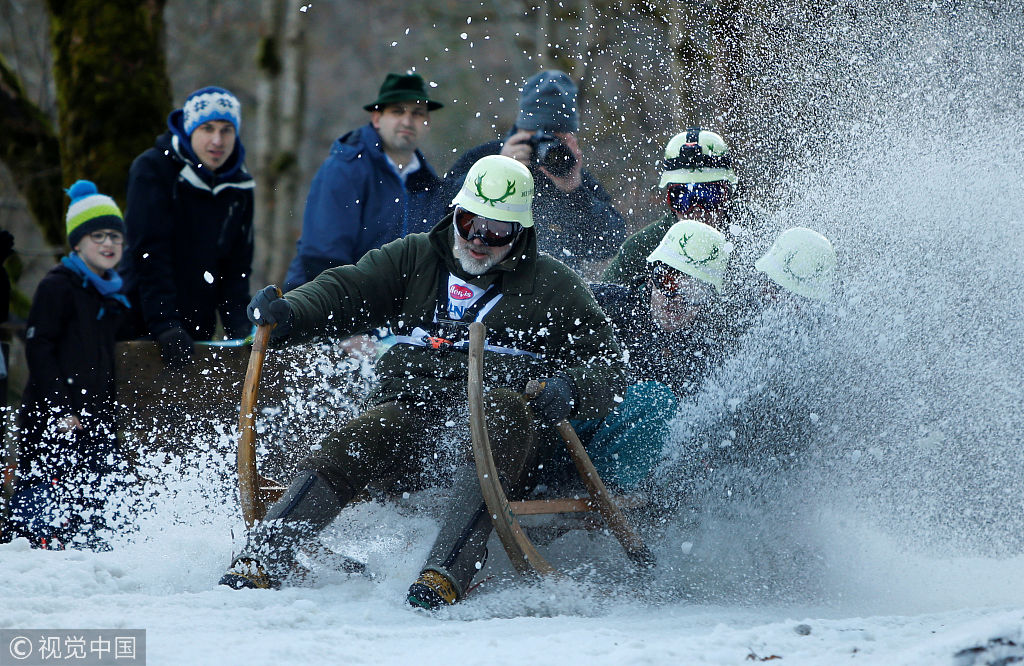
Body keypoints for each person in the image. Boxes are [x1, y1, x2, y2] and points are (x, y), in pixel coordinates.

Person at [219, 155, 627, 609]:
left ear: (520, 234)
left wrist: (570, 388)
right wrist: (291, 312)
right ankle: (264, 556)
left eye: (494, 232)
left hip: (509, 443)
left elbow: (608, 365)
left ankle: (447, 570)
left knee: (501, 410)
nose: (476, 240)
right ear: (454, 211)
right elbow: (346, 289)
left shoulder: (555, 286)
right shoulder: (415, 257)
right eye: (469, 221)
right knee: (372, 428)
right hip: (417, 420)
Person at [7, 181, 133, 549]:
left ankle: (94, 551)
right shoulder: (57, 286)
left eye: (115, 236)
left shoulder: (113, 293)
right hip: (53, 417)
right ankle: (29, 552)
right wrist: (61, 407)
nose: (108, 244)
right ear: (77, 242)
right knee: (44, 497)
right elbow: (39, 347)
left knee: (98, 496)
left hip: (96, 419)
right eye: (97, 236)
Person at [581, 219, 738, 489]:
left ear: (709, 299)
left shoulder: (706, 350)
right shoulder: (601, 304)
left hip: (633, 471)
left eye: (693, 291)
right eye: (667, 281)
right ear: (650, 276)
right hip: (569, 437)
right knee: (656, 400)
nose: (675, 299)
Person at [436, 70, 626, 276]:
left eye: (555, 137)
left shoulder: (574, 177)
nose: (546, 145)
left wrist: (574, 191)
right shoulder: (484, 158)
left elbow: (609, 244)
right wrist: (500, 168)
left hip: (550, 290)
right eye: (537, 135)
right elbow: (441, 213)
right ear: (521, 128)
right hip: (483, 279)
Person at [121, 86, 255, 369]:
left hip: (198, 332)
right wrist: (165, 324)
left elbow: (236, 269)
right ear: (190, 129)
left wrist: (242, 332)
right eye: (207, 128)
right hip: (139, 325)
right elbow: (148, 255)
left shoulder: (240, 187)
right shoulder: (152, 170)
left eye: (226, 130)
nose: (217, 140)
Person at [283, 72, 444, 291]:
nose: (407, 121)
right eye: (397, 111)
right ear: (377, 118)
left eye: (417, 114)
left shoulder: (428, 184)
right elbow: (322, 256)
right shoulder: (344, 168)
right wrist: (360, 313)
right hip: (320, 304)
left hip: (391, 314)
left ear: (427, 123)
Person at [603, 128, 751, 290]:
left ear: (727, 195)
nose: (696, 210)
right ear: (669, 199)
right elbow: (602, 305)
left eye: (708, 196)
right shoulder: (640, 249)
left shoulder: (755, 235)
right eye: (683, 198)